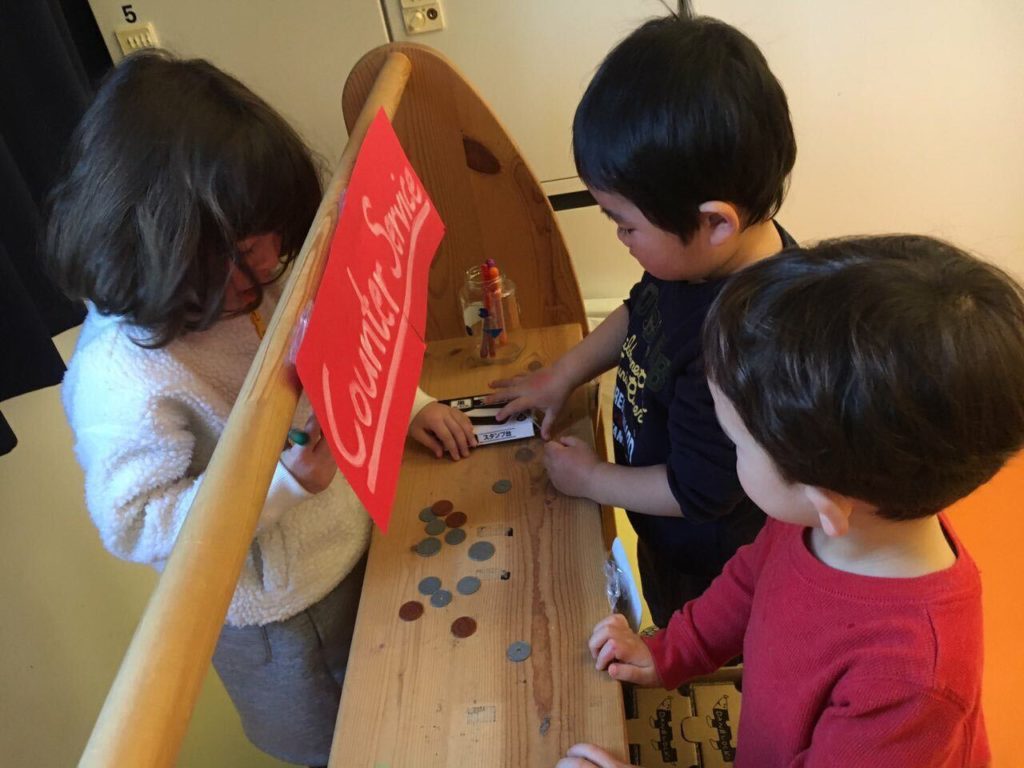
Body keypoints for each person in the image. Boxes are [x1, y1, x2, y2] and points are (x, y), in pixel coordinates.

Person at [46, 51, 474, 766]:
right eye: (250, 251)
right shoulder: (122, 376)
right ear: (165, 243)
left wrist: (409, 404)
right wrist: (281, 484)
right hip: (280, 615)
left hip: (350, 541)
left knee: (406, 705)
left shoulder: (262, 281)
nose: (274, 261)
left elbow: (346, 348)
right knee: (343, 745)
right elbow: (134, 522)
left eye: (276, 244)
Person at [572, 235, 1024, 767]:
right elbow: (748, 582)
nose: (729, 450)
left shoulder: (910, 682)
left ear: (824, 498)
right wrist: (670, 652)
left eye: (735, 443)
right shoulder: (825, 514)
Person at [488, 12, 797, 627]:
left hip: (708, 564)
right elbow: (641, 312)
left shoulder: (744, 344)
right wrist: (566, 372)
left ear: (716, 222)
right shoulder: (693, 263)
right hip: (662, 530)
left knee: (693, 658)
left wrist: (593, 480)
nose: (621, 236)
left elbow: (697, 492)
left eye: (625, 223)